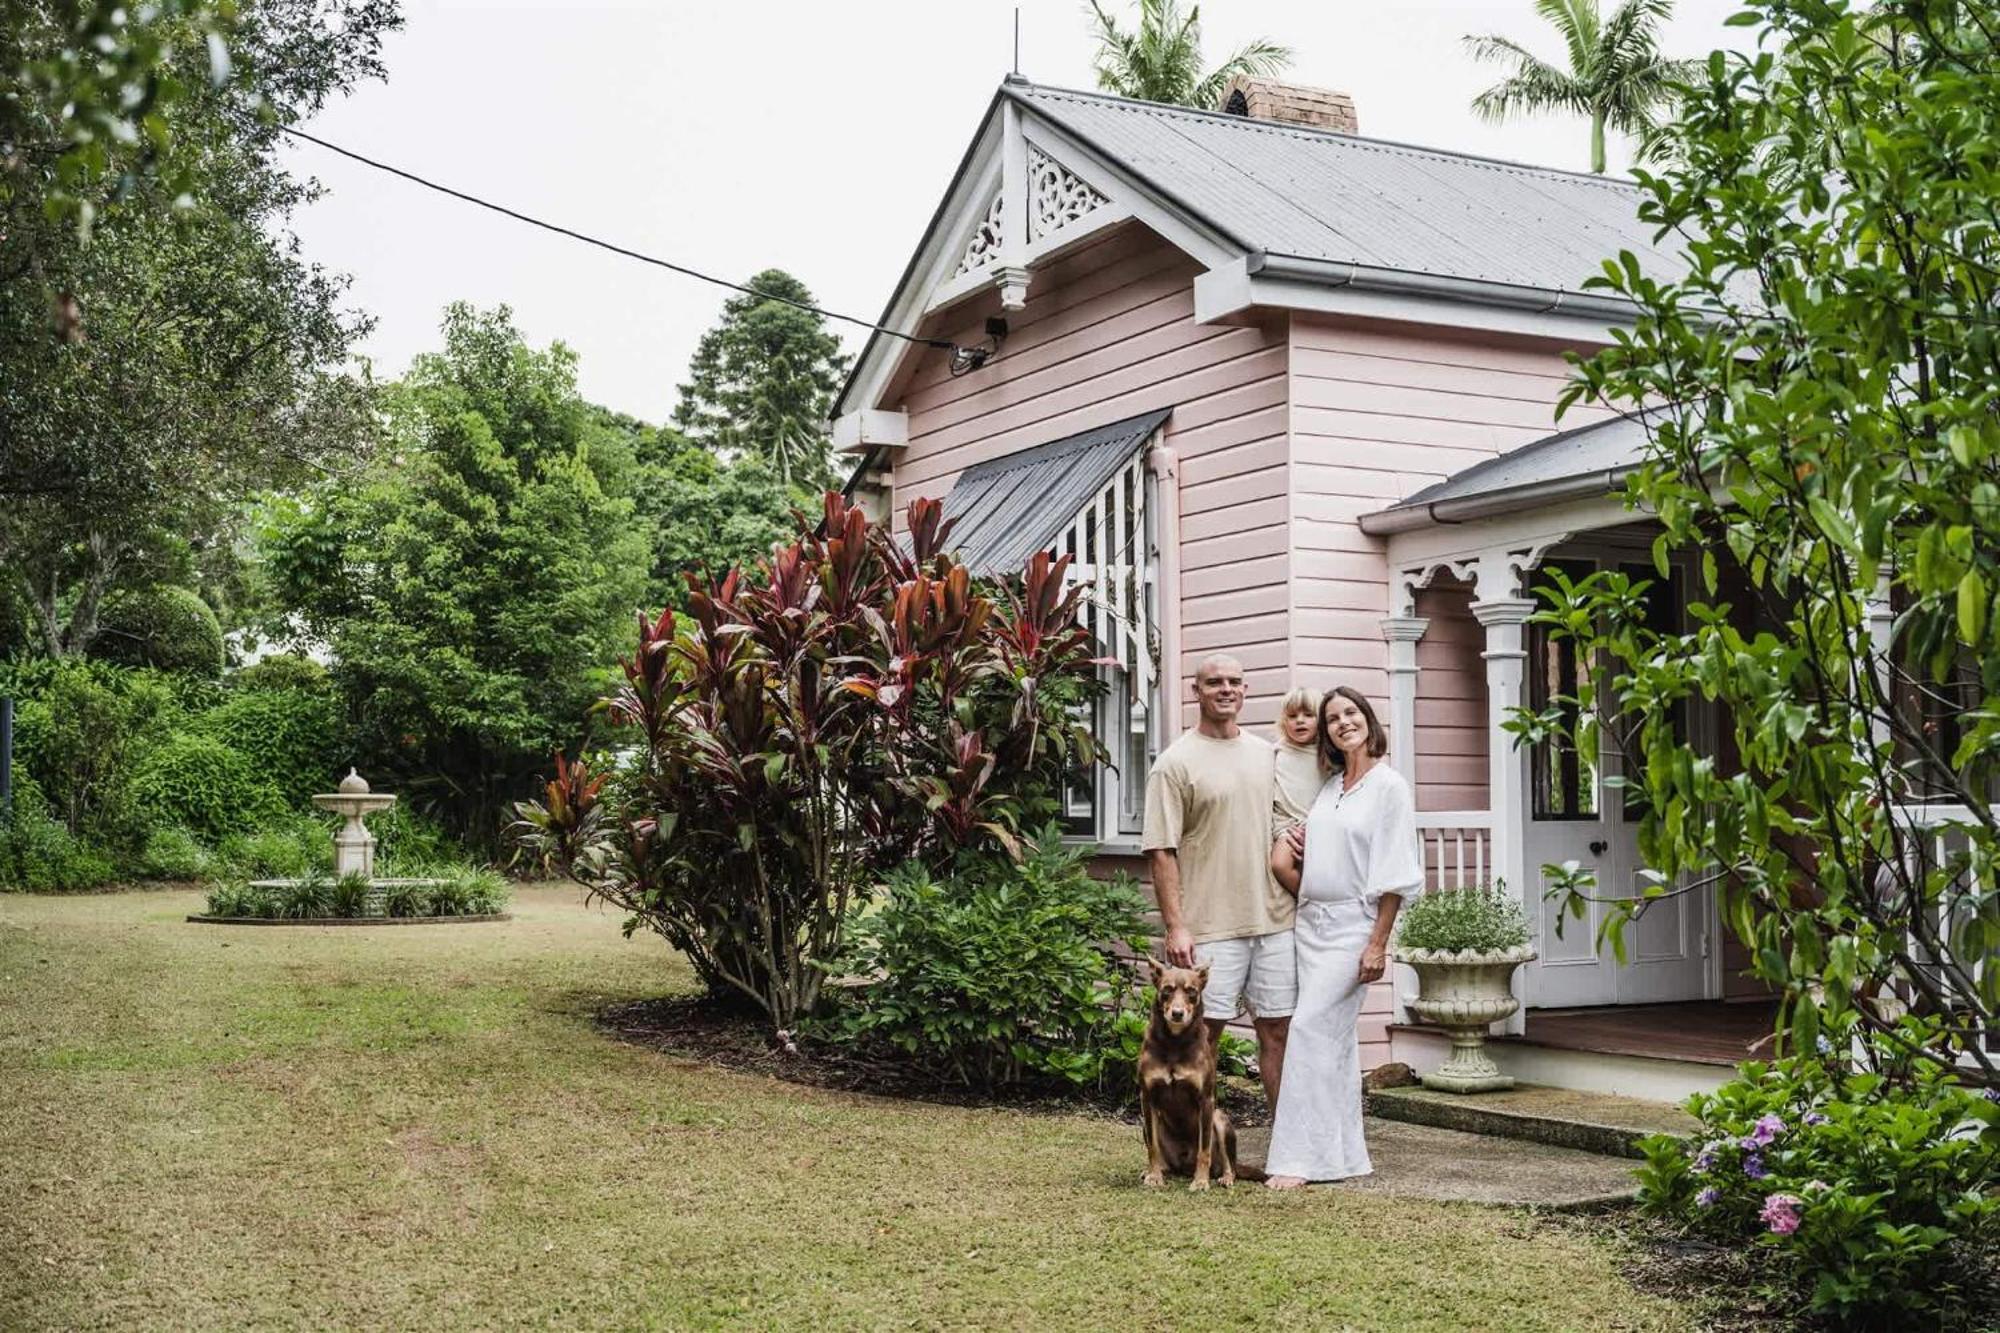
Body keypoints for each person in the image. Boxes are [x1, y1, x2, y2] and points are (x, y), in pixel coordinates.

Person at [1262, 685, 1423, 1188]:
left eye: (1351, 713)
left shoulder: (1389, 786)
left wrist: (1378, 943)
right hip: (1310, 926)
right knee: (1332, 1045)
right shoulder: (1331, 789)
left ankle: (1296, 1160)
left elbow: (1395, 874)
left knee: (1308, 1029)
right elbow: (1304, 857)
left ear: (1368, 720)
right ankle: (1342, 1157)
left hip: (1354, 929)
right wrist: (1299, 880)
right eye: (1333, 719)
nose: (1342, 723)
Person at [1141, 655, 1295, 1108]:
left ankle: (1286, 1145)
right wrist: (1176, 926)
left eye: (1235, 682)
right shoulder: (1176, 763)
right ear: (1197, 691)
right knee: (1203, 1037)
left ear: (1245, 691)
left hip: (1274, 919)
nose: (1226, 689)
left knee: (1279, 1032)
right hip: (1209, 926)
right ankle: (1191, 1144)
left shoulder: (1269, 754)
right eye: (1214, 683)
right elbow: (1161, 850)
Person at [1271, 686, 1325, 832]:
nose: (1300, 720)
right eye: (1292, 716)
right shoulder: (1277, 752)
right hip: (1286, 827)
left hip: (1320, 826)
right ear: (1284, 722)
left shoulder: (1328, 754)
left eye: (1308, 715)